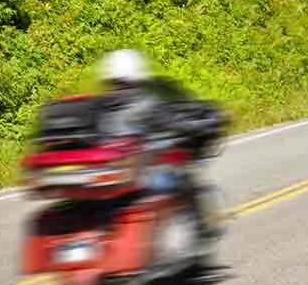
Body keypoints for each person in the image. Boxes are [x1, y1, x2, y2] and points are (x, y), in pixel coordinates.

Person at [96, 49, 224, 240]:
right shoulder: (144, 102)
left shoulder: (101, 107)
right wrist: (205, 124)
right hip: (140, 175)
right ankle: (201, 229)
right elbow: (177, 123)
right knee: (182, 177)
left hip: (110, 176)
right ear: (136, 73)